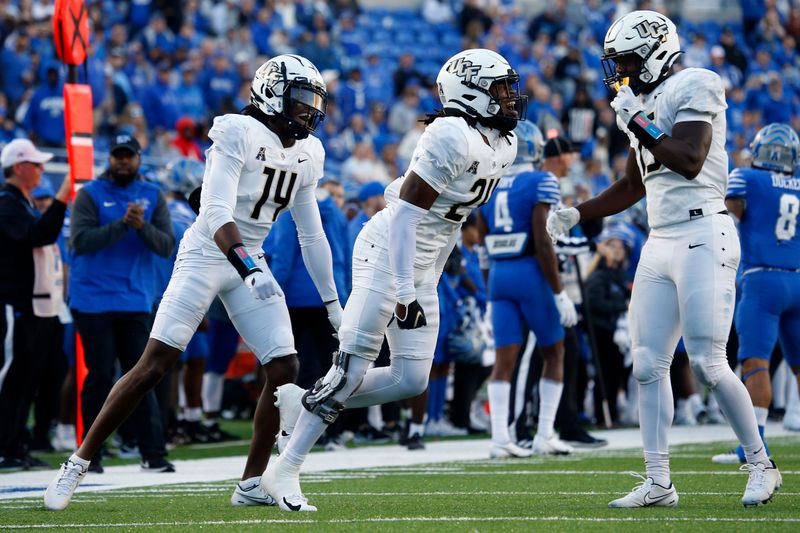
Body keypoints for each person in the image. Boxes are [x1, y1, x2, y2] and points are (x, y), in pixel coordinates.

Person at [45, 54, 343, 510]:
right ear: (271, 94)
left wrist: (332, 305)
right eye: (301, 98)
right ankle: (78, 463)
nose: (309, 109)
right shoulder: (236, 131)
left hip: (252, 257)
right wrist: (249, 267)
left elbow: (312, 233)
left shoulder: (308, 153)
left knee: (284, 368)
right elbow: (216, 212)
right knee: (154, 364)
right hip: (207, 252)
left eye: (314, 100)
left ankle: (251, 483)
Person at [264, 48, 525, 512]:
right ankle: (283, 470)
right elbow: (404, 215)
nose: (510, 97)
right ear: (472, 90)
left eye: (509, 87)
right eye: (501, 88)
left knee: (411, 380)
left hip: (425, 263)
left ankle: (304, 400)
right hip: (388, 253)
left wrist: (429, 276)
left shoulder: (505, 143)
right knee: (350, 370)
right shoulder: (449, 134)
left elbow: (451, 218)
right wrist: (405, 291)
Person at [546, 10, 781, 508]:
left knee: (708, 362)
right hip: (661, 238)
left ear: (656, 51)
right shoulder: (641, 103)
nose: (622, 73)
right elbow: (635, 183)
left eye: (628, 60)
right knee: (647, 364)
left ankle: (761, 462)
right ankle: (658, 481)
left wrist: (637, 119)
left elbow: (690, 158)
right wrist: (579, 213)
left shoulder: (697, 82)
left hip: (703, 229)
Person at [67, 134, 176, 474]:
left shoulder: (152, 196)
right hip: (93, 299)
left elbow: (165, 246)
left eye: (129, 156)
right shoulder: (90, 194)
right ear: (110, 159)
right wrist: (121, 225)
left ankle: (153, 453)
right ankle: (90, 455)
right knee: (99, 376)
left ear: (139, 159)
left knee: (142, 377)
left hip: (135, 299)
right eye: (118, 156)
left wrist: (141, 227)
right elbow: (80, 243)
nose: (123, 161)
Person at [478, 126, 577, 458]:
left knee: (505, 359)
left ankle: (499, 439)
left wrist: (489, 285)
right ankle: (544, 434)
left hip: (499, 276)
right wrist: (559, 291)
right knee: (554, 352)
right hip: (530, 273)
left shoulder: (489, 185)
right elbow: (543, 240)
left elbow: (482, 244)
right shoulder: (541, 181)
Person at [712, 123, 800, 464]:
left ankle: (753, 448)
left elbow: (728, 208)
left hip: (763, 280)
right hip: (797, 279)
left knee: (755, 364)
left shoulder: (748, 177)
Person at [0, 139, 70, 470]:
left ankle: (13, 445)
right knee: (10, 375)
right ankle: (5, 445)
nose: (43, 170)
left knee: (26, 378)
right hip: (11, 303)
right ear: (19, 167)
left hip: (30, 305)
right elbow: (39, 236)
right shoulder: (7, 204)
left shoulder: (22, 203)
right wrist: (60, 199)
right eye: (37, 164)